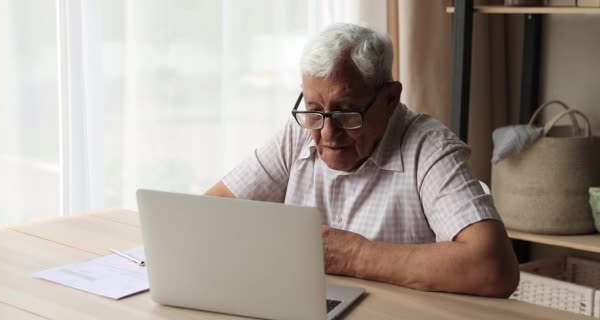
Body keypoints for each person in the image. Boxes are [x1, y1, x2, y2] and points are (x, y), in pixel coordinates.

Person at [205, 23, 519, 298]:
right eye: (314, 108)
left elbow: (493, 267)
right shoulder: (299, 132)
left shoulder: (429, 148)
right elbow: (209, 212)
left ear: (390, 99)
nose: (328, 133)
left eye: (345, 112)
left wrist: (355, 255)